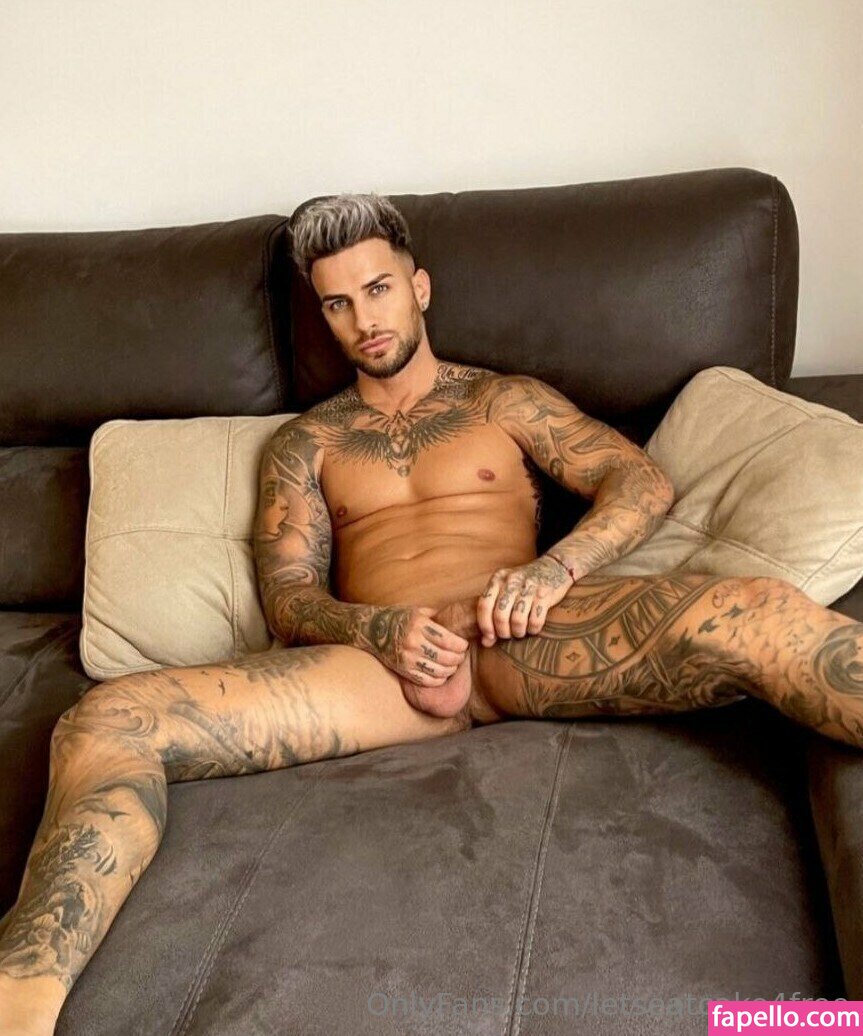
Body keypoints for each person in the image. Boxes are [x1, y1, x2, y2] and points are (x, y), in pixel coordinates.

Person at [1, 193, 861, 1035]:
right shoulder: (305, 443)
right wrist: (377, 629)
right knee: (106, 718)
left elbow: (636, 479)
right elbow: (289, 598)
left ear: (418, 287)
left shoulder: (501, 401)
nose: (362, 319)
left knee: (751, 611)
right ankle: (20, 1009)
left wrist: (554, 569)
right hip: (381, 669)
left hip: (520, 634)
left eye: (377, 289)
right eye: (336, 303)